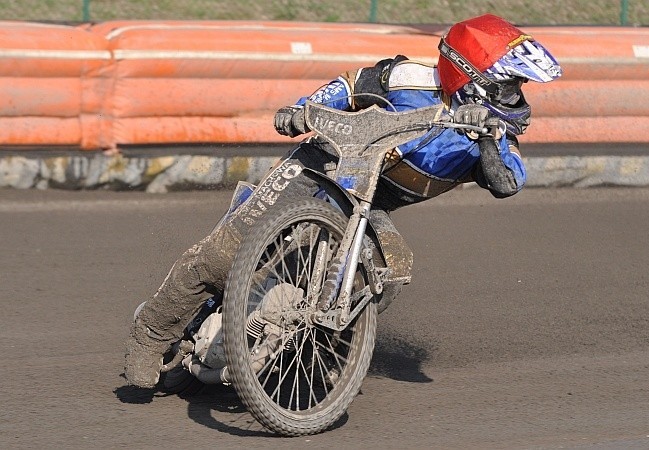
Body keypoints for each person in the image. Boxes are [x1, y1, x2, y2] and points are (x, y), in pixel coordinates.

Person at [124, 13, 562, 388]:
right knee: (224, 255)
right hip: (319, 166)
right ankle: (152, 333)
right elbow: (347, 85)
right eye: (509, 86)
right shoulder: (408, 78)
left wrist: (485, 137)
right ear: (470, 77)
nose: (516, 98)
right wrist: (301, 111)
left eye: (518, 87)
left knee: (390, 272)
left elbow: (506, 183)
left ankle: (311, 358)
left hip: (369, 204)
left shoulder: (496, 138)